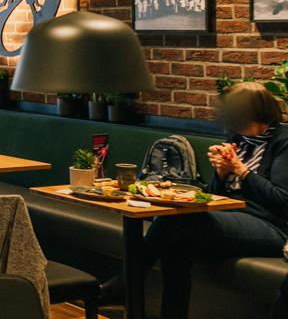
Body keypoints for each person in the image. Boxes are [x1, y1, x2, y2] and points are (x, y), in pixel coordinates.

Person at [102, 82, 288, 318]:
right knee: (177, 242)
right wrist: (221, 174)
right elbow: (215, 195)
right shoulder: (238, 139)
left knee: (176, 221)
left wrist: (241, 170)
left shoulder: (283, 141)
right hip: (230, 217)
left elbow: (281, 201)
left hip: (270, 226)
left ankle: (126, 285)